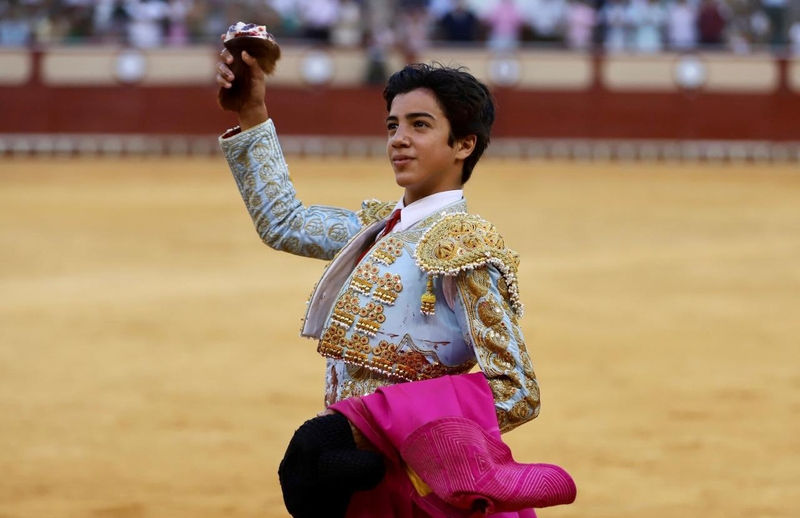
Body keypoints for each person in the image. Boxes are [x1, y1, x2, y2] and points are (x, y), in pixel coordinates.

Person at [215, 47, 543, 515]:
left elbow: (516, 392)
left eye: (420, 125)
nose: (398, 139)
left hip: (417, 485)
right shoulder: (377, 229)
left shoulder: (462, 248)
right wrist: (252, 111)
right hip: (356, 477)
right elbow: (283, 222)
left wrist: (362, 430)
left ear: (464, 145)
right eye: (393, 125)